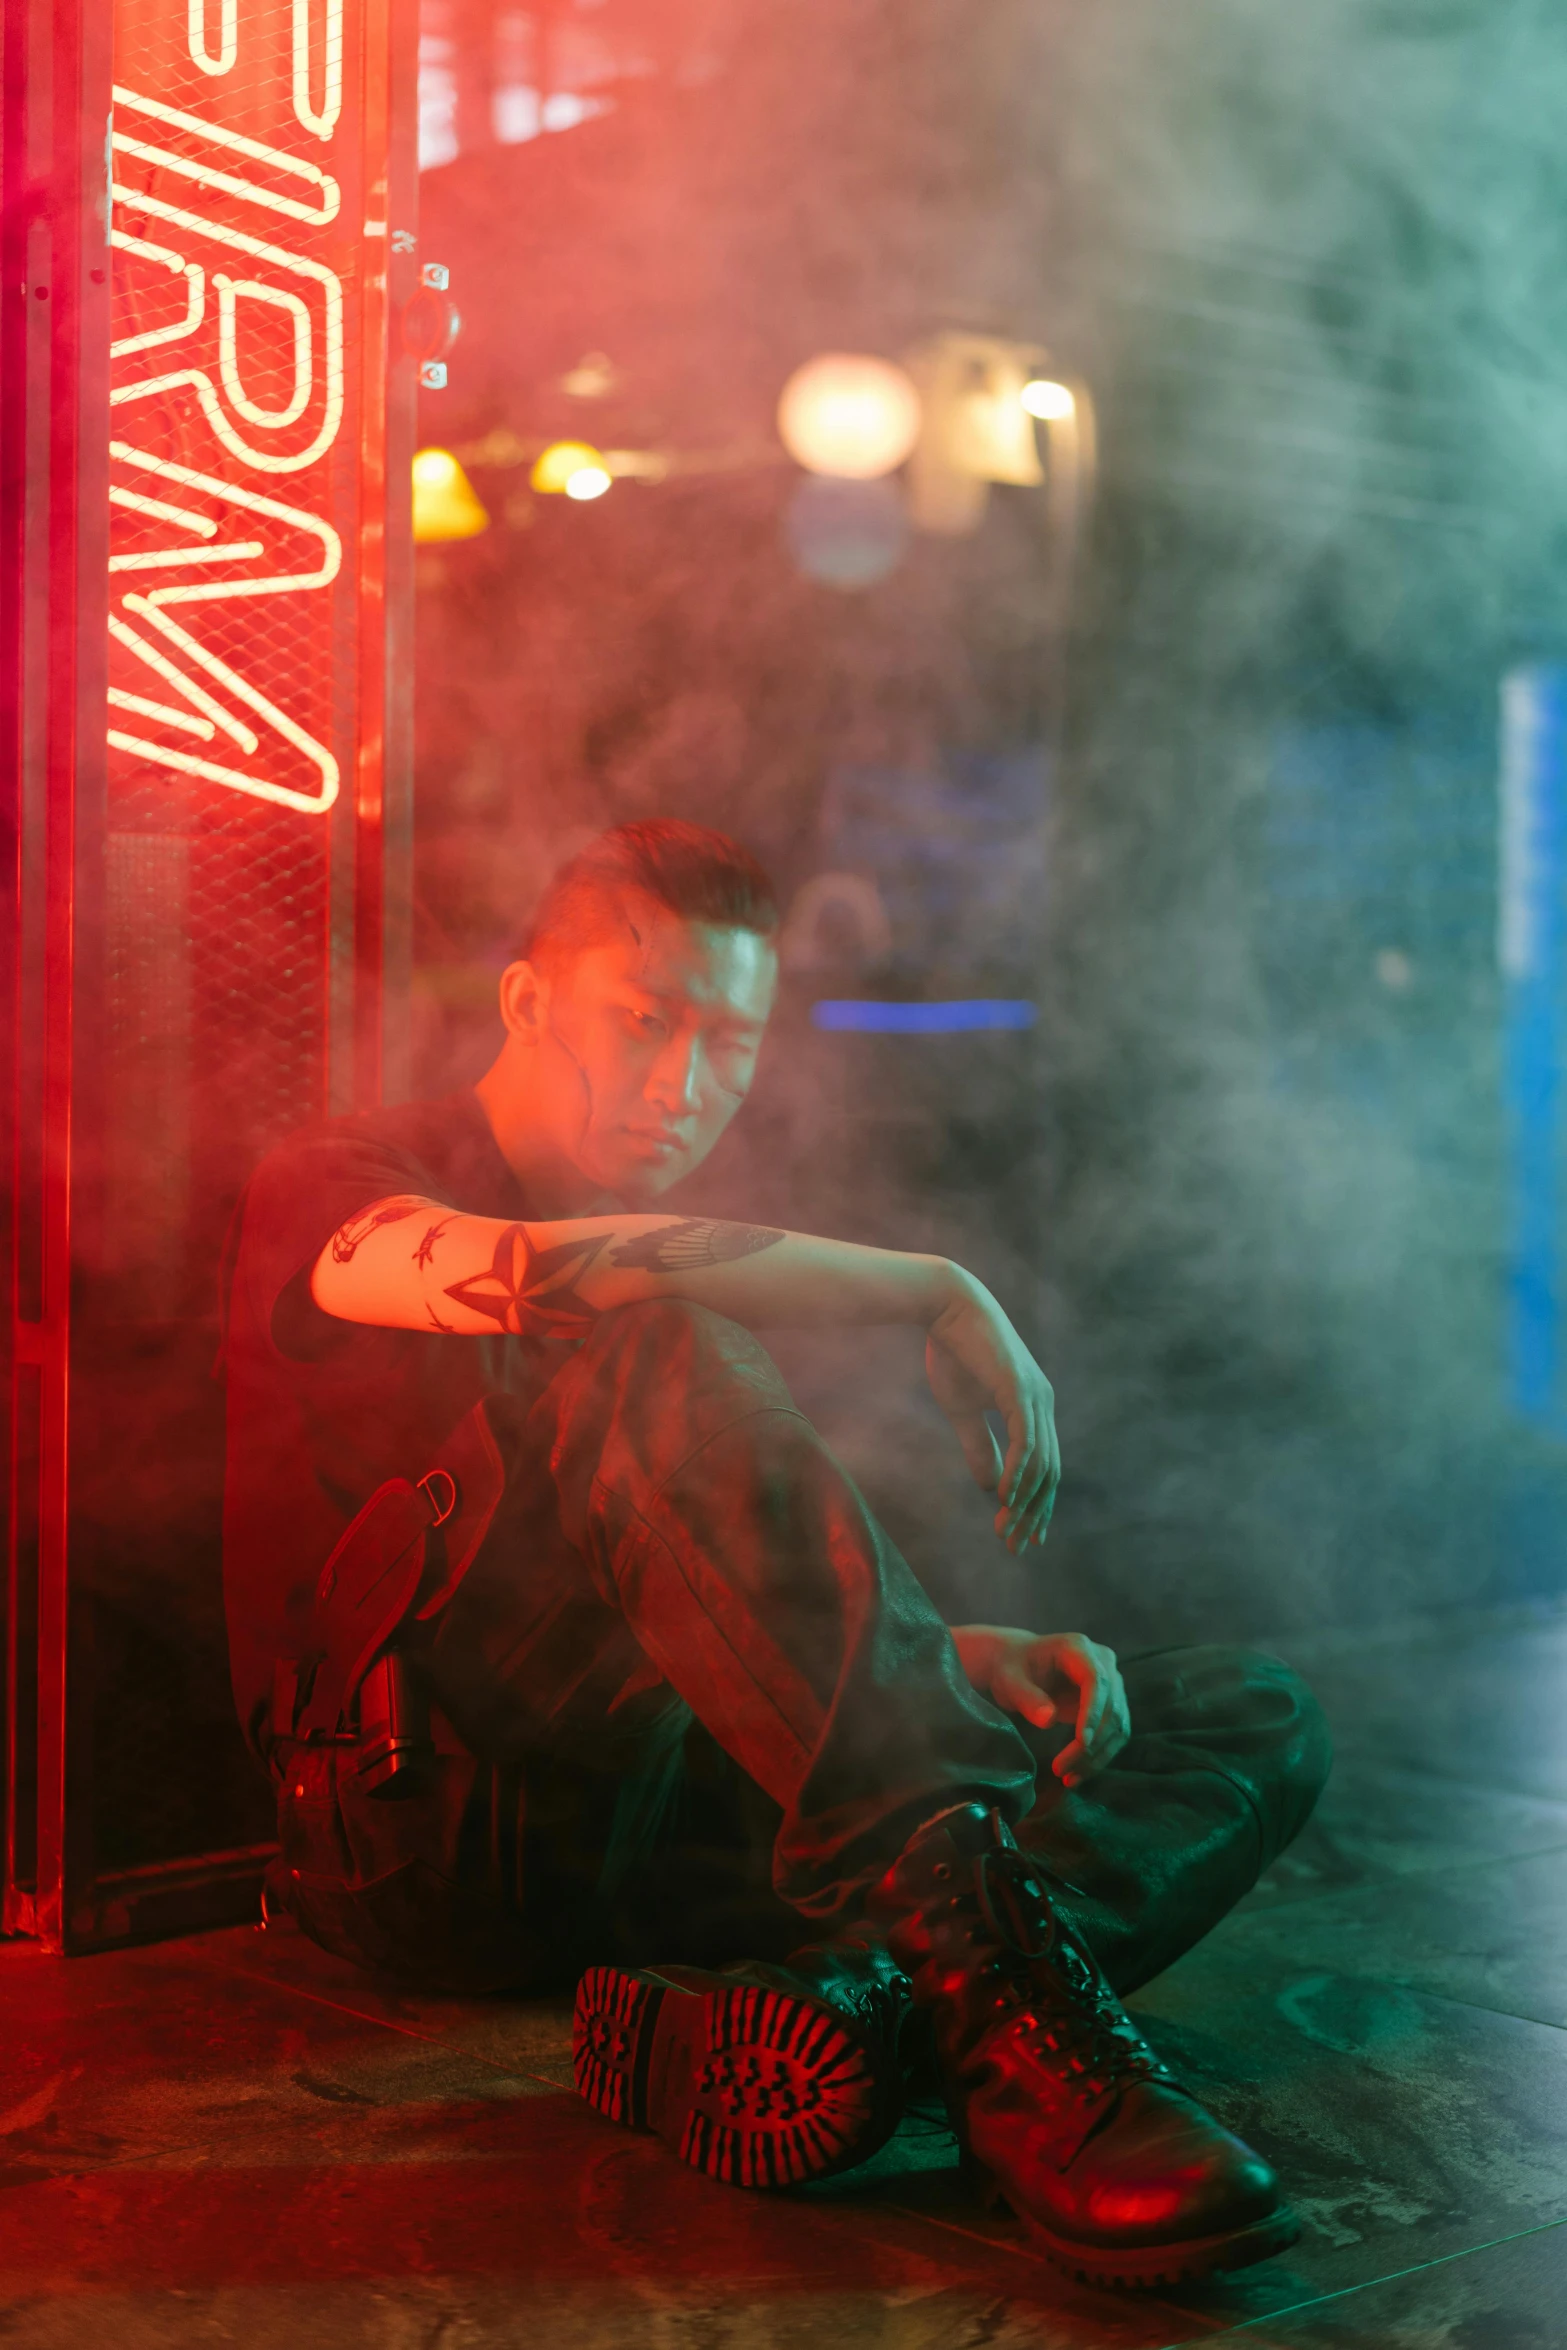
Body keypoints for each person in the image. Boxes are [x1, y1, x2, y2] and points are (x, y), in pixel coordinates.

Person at [221, 819, 1330, 2291]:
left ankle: (847, 2004)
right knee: (651, 1324)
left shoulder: (667, 1250)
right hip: (429, 1840)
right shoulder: (341, 1172)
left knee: (1245, 1710)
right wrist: (928, 1286)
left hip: (674, 1800)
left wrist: (940, 1663)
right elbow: (547, 1273)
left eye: (729, 1037)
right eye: (644, 1021)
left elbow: (706, 1577)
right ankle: (1015, 2045)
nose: (686, 1081)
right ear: (526, 1004)